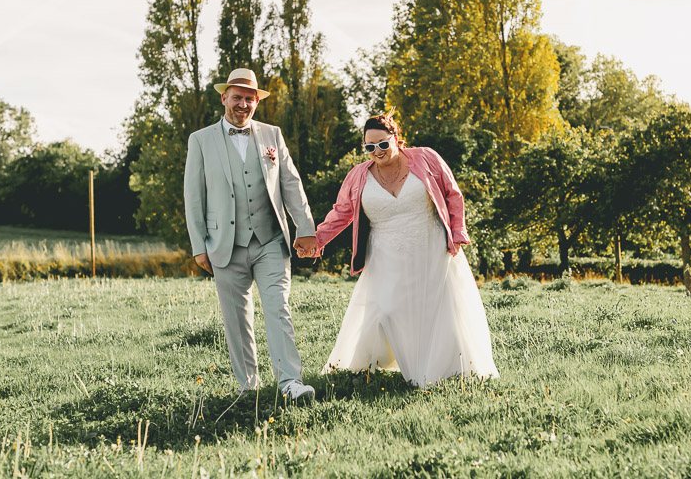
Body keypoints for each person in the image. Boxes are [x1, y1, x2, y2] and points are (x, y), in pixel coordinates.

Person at [307, 112, 498, 387]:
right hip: (384, 256)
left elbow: (452, 193)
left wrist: (457, 233)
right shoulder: (358, 176)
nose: (377, 152)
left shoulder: (426, 158)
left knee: (436, 310)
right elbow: (341, 213)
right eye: (369, 147)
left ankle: (438, 370)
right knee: (387, 310)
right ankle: (377, 366)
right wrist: (317, 240)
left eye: (383, 144)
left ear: (396, 138)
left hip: (431, 248)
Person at [184, 68, 319, 403]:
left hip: (271, 241)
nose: (243, 104)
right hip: (224, 245)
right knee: (236, 319)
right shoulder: (200, 140)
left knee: (279, 310)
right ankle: (249, 386)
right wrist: (199, 246)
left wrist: (306, 229)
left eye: (249, 98)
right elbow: (193, 195)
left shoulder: (272, 135)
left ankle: (290, 382)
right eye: (237, 97)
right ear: (224, 98)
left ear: (256, 101)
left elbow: (290, 183)